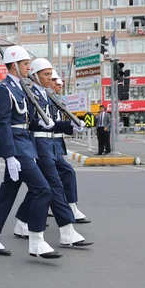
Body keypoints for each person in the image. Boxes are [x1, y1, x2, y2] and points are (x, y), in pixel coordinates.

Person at [0, 45, 61, 259]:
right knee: (43, 190)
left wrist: (45, 125)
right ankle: (36, 241)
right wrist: (9, 156)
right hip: (17, 149)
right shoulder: (4, 89)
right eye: (26, 64)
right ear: (15, 65)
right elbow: (4, 125)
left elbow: (25, 120)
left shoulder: (21, 87)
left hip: (24, 144)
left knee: (7, 194)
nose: (29, 67)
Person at [12, 58, 92, 249]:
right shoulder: (29, 94)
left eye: (51, 74)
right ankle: (66, 231)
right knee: (54, 185)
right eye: (46, 75)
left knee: (41, 188)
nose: (50, 78)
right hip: (38, 145)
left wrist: (71, 124)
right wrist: (39, 123)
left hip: (49, 143)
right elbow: (27, 120)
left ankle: (22, 224)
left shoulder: (47, 95)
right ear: (35, 75)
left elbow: (53, 123)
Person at [51, 74, 90, 223]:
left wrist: (71, 126)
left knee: (46, 183)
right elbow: (49, 123)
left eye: (60, 85)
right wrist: (69, 125)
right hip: (44, 144)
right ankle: (70, 208)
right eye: (57, 84)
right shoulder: (46, 99)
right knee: (64, 173)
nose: (59, 87)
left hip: (54, 143)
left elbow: (57, 123)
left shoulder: (55, 100)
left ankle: (27, 219)